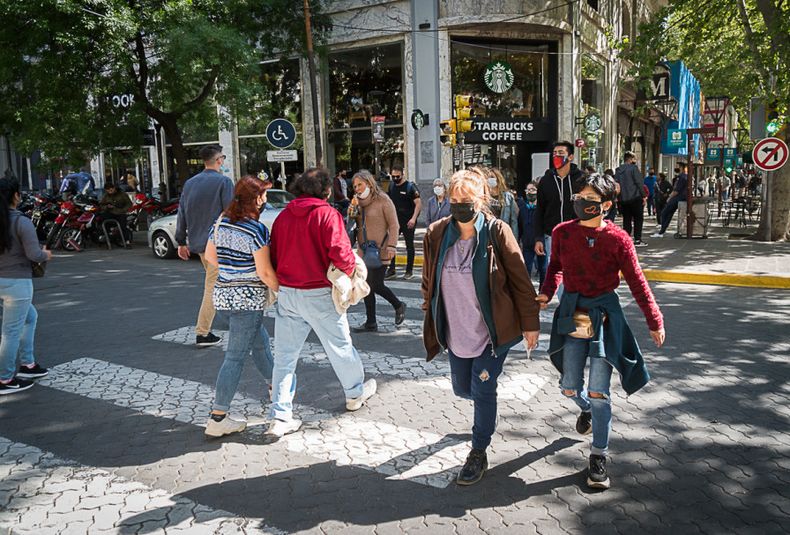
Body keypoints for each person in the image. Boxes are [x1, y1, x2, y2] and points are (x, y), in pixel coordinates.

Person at [536, 172, 665, 490]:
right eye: (578, 199)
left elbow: (637, 281)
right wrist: (545, 294)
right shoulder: (562, 232)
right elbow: (555, 268)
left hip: (605, 314)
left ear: (606, 205)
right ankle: (586, 410)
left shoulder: (618, 239)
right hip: (575, 313)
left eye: (589, 201)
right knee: (569, 386)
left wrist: (655, 320)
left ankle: (598, 457)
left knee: (599, 391)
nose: (580, 204)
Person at [422, 169, 540, 486]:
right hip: (456, 332)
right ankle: (483, 410)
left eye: (467, 200)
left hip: (491, 333)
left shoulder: (497, 232)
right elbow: (428, 280)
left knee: (483, 389)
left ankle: (478, 450)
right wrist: (428, 311)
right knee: (464, 389)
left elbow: (520, 281)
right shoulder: (435, 233)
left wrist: (530, 323)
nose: (460, 205)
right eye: (455, 199)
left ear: (482, 200)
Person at [269, 168, 376, 437]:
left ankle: (280, 415)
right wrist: (352, 269)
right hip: (319, 292)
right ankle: (354, 393)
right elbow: (340, 253)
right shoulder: (327, 214)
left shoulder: (283, 217)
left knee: (284, 357)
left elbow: (274, 254)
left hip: (289, 293)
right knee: (339, 347)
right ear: (326, 190)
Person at [202, 176, 278, 437]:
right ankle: (218, 417)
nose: (266, 200)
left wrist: (232, 270)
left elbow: (211, 257)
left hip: (223, 298)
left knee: (259, 343)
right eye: (264, 195)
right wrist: (284, 292)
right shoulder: (256, 230)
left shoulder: (221, 222)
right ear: (255, 199)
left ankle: (275, 389)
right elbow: (265, 273)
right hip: (248, 302)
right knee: (234, 357)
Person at [175, 144, 235, 347]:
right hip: (219, 244)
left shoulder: (190, 184)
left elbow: (181, 212)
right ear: (218, 160)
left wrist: (181, 241)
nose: (223, 161)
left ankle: (232, 320)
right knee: (213, 287)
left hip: (199, 243)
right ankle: (203, 332)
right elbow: (230, 214)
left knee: (219, 284)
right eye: (223, 157)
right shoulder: (224, 182)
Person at [0, 178, 52, 395]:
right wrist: (47, 254)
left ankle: (28, 365)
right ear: (15, 196)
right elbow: (34, 255)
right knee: (10, 332)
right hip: (17, 283)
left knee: (30, 317)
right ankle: (5, 379)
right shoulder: (21, 222)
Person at [347, 169, 405, 332]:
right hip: (364, 251)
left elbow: (394, 225)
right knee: (366, 285)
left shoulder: (383, 200)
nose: (357, 188)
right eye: (355, 185)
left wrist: (392, 245)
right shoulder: (357, 201)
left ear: (369, 183)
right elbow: (351, 220)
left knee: (376, 284)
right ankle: (371, 322)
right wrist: (352, 207)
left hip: (382, 250)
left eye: (360, 184)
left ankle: (398, 305)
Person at [534, 141, 584, 267]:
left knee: (578, 268)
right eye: (555, 153)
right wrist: (538, 238)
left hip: (578, 234)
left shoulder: (582, 179)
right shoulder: (546, 181)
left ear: (571, 157)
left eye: (561, 153)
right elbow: (540, 210)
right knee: (556, 271)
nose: (557, 156)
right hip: (552, 235)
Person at [386, 166, 421, 280]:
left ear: (403, 174)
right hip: (395, 222)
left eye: (398, 176)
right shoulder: (391, 186)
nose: (395, 178)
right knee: (391, 245)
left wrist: (413, 219)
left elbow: (418, 204)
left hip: (408, 221)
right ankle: (391, 269)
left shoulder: (410, 187)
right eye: (393, 176)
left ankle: (409, 271)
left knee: (409, 246)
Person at [517, 182, 546, 287]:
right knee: (526, 268)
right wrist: (519, 240)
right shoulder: (523, 207)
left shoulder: (542, 208)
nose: (530, 192)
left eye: (532, 189)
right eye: (527, 190)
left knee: (543, 268)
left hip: (540, 241)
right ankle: (528, 292)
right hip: (527, 242)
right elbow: (520, 225)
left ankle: (542, 291)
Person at [615, 151, 647, 247]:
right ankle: (637, 239)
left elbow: (616, 184)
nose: (635, 161)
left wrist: (618, 197)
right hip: (635, 197)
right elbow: (639, 183)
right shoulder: (634, 168)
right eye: (634, 159)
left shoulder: (618, 170)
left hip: (623, 199)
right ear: (630, 159)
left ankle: (626, 239)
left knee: (626, 219)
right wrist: (644, 195)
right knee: (638, 219)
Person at [652, 163, 688, 237]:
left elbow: (676, 190)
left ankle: (662, 231)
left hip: (678, 197)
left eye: (677, 166)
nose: (676, 167)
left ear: (681, 167)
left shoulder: (681, 177)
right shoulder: (684, 176)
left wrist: (669, 197)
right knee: (669, 213)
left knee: (664, 212)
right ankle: (662, 231)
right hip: (681, 197)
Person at [485, 167, 519, 237]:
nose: (489, 179)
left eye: (492, 177)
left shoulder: (508, 197)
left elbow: (513, 221)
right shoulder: (484, 196)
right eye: (488, 177)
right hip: (488, 233)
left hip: (503, 233)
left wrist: (514, 239)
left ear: (498, 179)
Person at [99, 182, 133, 247]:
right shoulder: (106, 195)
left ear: (114, 188)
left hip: (121, 213)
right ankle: (106, 236)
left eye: (111, 190)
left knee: (123, 226)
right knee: (101, 218)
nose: (110, 192)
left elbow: (129, 204)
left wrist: (123, 210)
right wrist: (107, 207)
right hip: (111, 212)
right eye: (108, 190)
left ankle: (127, 241)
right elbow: (101, 205)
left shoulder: (122, 194)